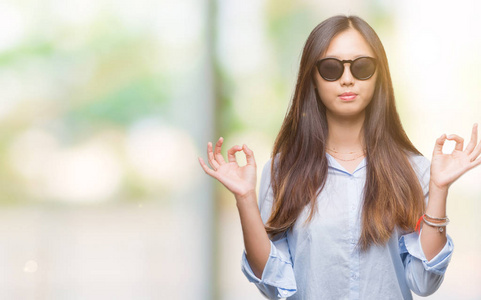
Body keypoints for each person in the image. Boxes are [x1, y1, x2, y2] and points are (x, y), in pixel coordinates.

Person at [198, 15, 481, 299]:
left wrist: (440, 188)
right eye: (331, 69)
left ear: (379, 74)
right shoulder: (282, 171)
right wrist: (245, 198)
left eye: (362, 67)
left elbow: (423, 282)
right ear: (313, 78)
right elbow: (272, 284)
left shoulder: (414, 170)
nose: (347, 79)